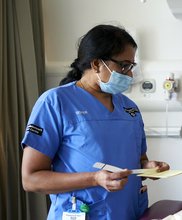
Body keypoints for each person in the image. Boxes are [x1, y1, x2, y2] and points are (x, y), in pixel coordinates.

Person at [21, 24, 170, 220]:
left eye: (131, 66)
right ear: (96, 64)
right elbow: (31, 179)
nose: (130, 74)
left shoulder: (129, 108)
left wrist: (147, 166)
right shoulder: (55, 102)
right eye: (124, 65)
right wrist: (94, 179)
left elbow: (138, 162)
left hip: (129, 213)